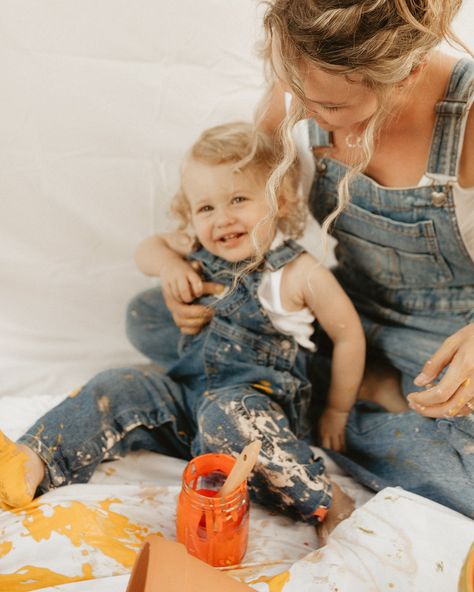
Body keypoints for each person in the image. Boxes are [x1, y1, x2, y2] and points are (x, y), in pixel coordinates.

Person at [138, 0, 474, 518]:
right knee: (149, 317)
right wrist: (181, 268)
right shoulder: (302, 84)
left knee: (466, 483)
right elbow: (247, 208)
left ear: (403, 73)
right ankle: (336, 388)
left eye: (329, 108)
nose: (301, 114)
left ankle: (334, 402)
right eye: (296, 92)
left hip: (444, 328)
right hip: (341, 300)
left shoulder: (467, 115)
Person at [0, 122, 364, 532]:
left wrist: (337, 410)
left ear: (280, 200)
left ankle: (324, 500)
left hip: (253, 409)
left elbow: (349, 334)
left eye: (238, 199)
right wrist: (170, 265)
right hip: (184, 399)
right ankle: (33, 462)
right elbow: (146, 251)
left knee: (230, 417)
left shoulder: (299, 273)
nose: (221, 219)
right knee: (116, 384)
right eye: (205, 208)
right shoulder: (195, 246)